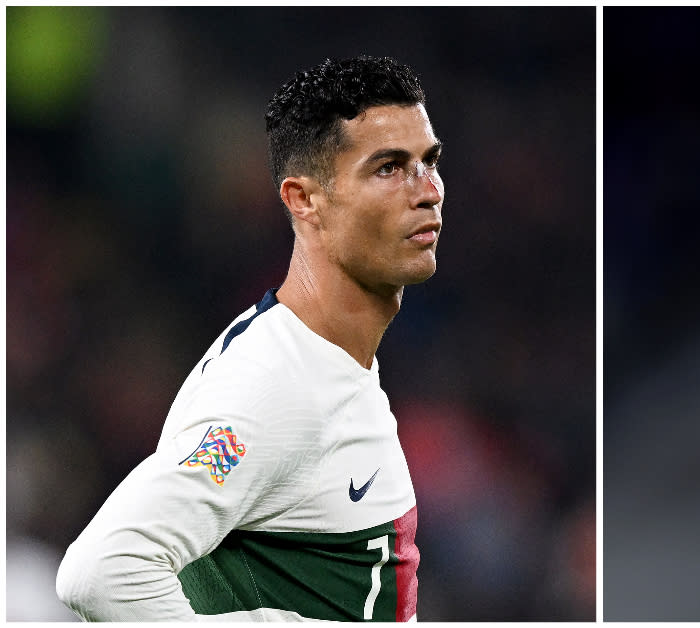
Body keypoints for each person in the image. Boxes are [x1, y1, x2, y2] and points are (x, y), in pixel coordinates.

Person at [56, 55, 443, 621]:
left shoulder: (325, 359)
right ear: (303, 199)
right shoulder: (273, 389)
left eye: (429, 161)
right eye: (388, 167)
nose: (426, 189)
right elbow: (104, 569)